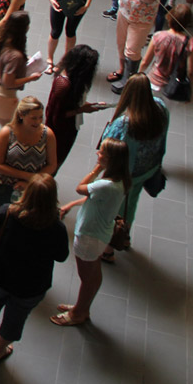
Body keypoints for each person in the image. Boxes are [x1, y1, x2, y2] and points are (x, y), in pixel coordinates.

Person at [0, 173, 69, 363]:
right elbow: (61, 257)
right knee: (16, 318)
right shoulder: (56, 228)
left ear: (28, 193)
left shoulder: (9, 212)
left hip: (0, 275)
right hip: (31, 286)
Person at [50, 138, 130, 327]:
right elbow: (94, 198)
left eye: (101, 152)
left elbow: (80, 188)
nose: (97, 153)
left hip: (89, 236)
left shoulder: (105, 185)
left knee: (86, 278)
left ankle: (78, 312)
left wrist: (95, 170)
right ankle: (82, 306)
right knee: (93, 274)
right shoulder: (120, 182)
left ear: (110, 159)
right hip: (100, 234)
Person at [100, 74, 169, 252]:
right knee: (131, 203)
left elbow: (108, 145)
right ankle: (125, 236)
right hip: (147, 168)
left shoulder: (125, 123)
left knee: (113, 206)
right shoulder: (160, 108)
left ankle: (109, 247)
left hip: (124, 173)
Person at [0, 10, 41, 140]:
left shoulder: (2, 39)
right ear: (25, 28)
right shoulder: (16, 56)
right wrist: (32, 77)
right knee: (15, 132)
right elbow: (8, 82)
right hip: (1, 95)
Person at [45, 45, 107, 171]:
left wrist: (85, 106)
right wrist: (82, 110)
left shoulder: (73, 80)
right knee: (53, 162)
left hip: (68, 127)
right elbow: (56, 116)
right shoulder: (63, 84)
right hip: (59, 132)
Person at [0, 97, 57, 210]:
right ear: (21, 115)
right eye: (33, 118)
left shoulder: (48, 135)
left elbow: (52, 165)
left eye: (40, 117)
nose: (38, 122)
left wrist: (31, 182)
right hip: (5, 185)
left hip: (32, 188)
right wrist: (28, 177)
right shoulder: (7, 133)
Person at [140, 2, 193, 97]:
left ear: (170, 17)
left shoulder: (158, 36)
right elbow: (191, 71)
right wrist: (189, 90)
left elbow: (145, 61)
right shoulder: (190, 43)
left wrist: (138, 74)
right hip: (173, 87)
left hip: (154, 81)